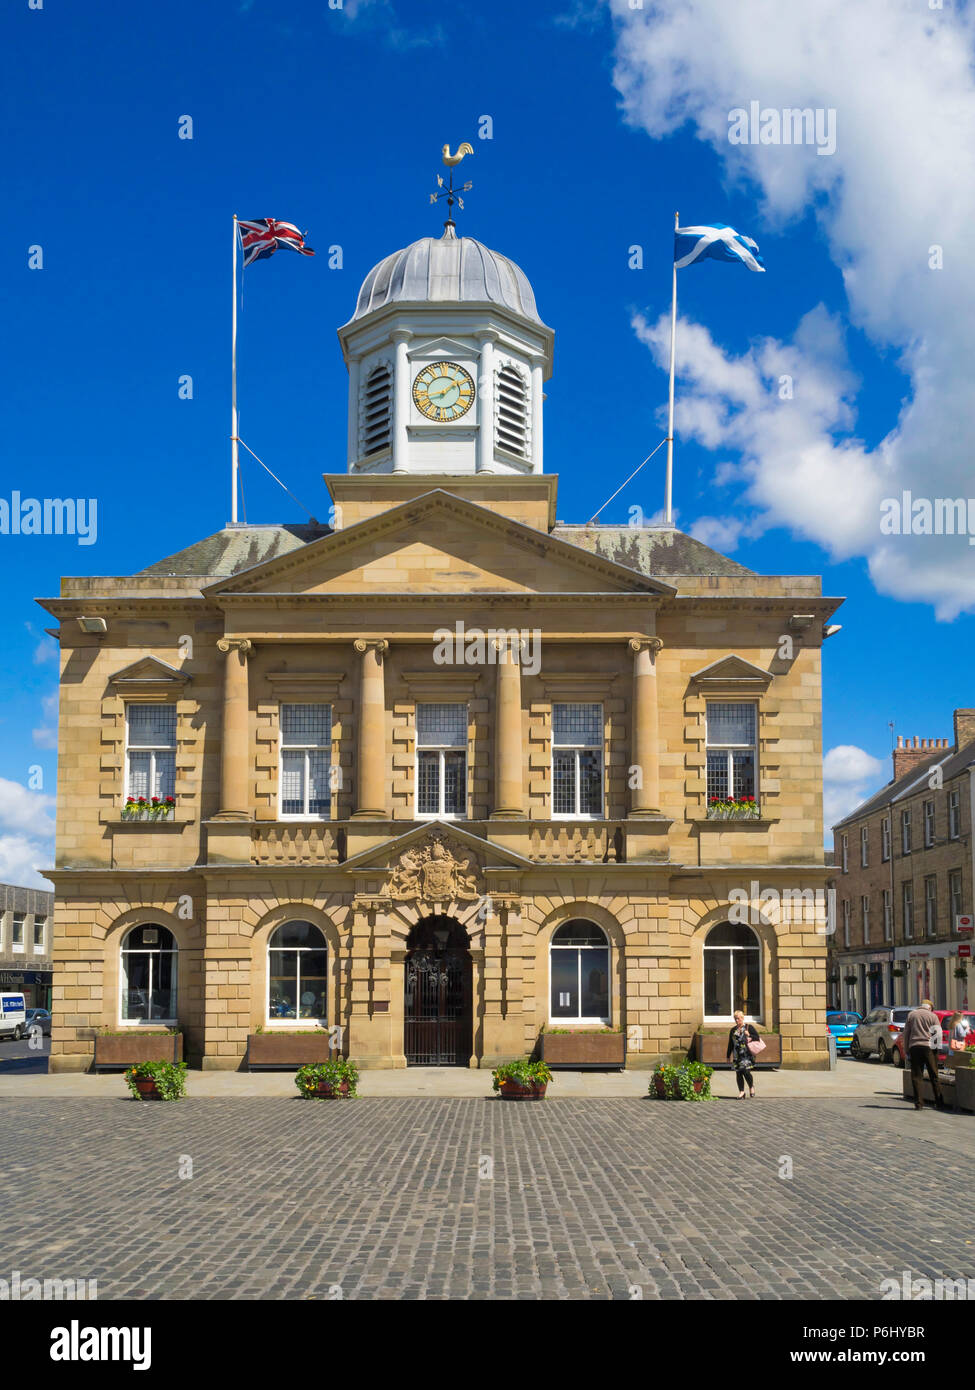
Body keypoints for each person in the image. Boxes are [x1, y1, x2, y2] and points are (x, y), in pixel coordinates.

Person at [903, 999, 946, 1111]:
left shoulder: (911, 1015)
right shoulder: (933, 1016)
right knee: (934, 1075)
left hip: (914, 1047)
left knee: (917, 1076)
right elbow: (938, 1033)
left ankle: (918, 1104)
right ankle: (939, 1102)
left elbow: (906, 1033)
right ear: (930, 1008)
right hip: (929, 1047)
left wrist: (906, 1049)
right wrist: (937, 1049)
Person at [727, 1009, 761, 1098]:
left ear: (742, 1018)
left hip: (747, 1055)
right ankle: (741, 1092)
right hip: (736, 1055)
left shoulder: (749, 1027)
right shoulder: (733, 1030)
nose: (736, 1020)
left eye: (738, 1018)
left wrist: (749, 1035)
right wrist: (728, 1056)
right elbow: (730, 1043)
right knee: (738, 1073)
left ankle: (751, 1086)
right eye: (735, 1019)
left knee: (746, 1071)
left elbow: (757, 1038)